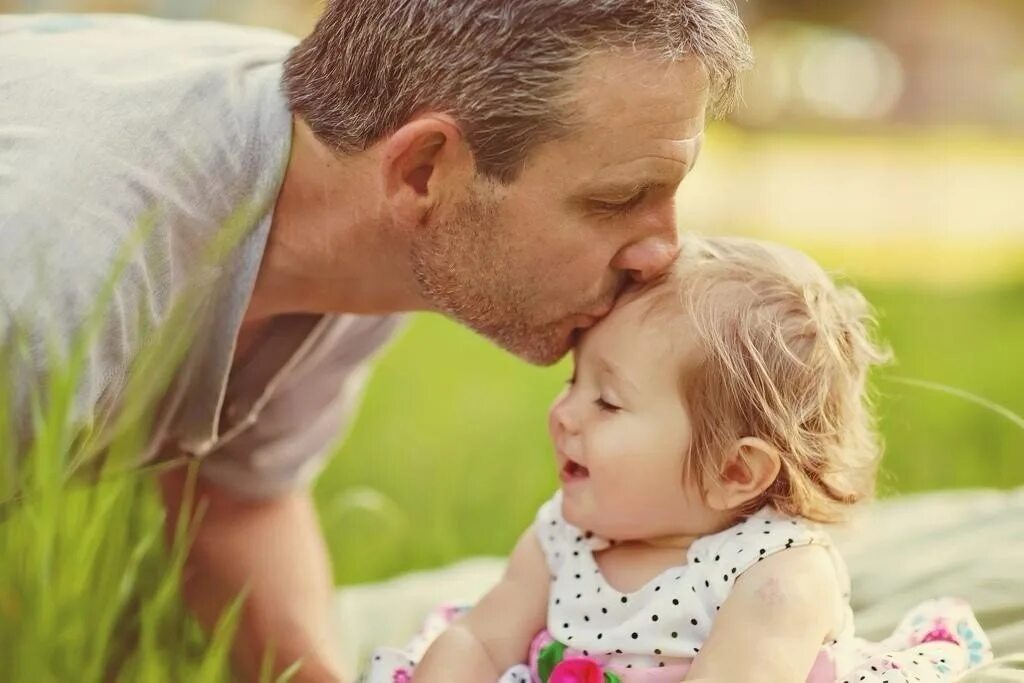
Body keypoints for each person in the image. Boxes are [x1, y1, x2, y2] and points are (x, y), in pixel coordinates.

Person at [0, 2, 752, 680]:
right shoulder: (50, 282)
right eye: (618, 198)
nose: (663, 250)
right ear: (423, 170)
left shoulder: (373, 224)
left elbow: (235, 497)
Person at [361, 235, 993, 683]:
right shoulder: (563, 537)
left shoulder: (776, 575)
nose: (564, 413)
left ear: (735, 471)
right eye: (571, 383)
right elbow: (480, 638)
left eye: (606, 401)